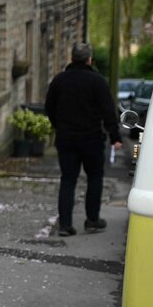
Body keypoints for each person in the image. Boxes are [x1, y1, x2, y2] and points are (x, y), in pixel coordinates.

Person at [44, 43, 123, 237]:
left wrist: (59, 126)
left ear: (72, 59)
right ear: (89, 60)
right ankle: (93, 220)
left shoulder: (59, 81)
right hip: (92, 140)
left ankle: (65, 225)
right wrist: (115, 137)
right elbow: (108, 112)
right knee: (95, 178)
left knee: (68, 180)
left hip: (66, 139)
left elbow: (49, 108)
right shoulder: (97, 81)